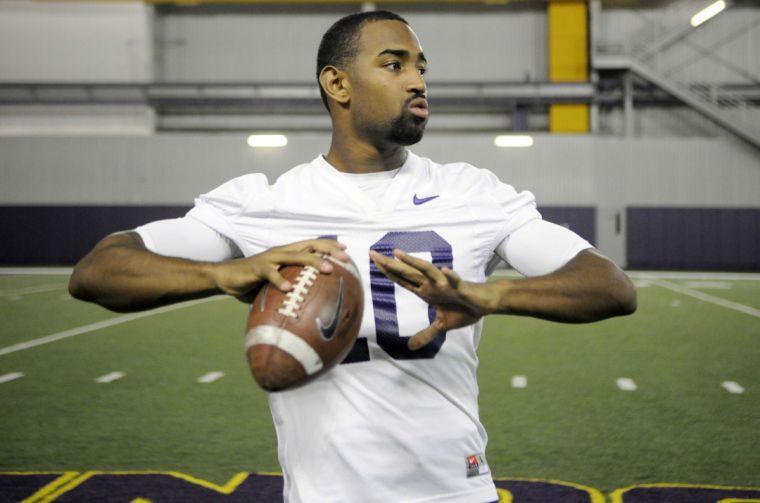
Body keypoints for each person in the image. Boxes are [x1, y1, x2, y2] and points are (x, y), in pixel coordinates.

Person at [69, 10, 637, 503]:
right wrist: (223, 273)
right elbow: (99, 272)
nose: (417, 80)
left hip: (455, 490)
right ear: (337, 84)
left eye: (421, 67)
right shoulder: (262, 203)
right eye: (394, 65)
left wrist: (490, 294)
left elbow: (609, 286)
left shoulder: (475, 193)